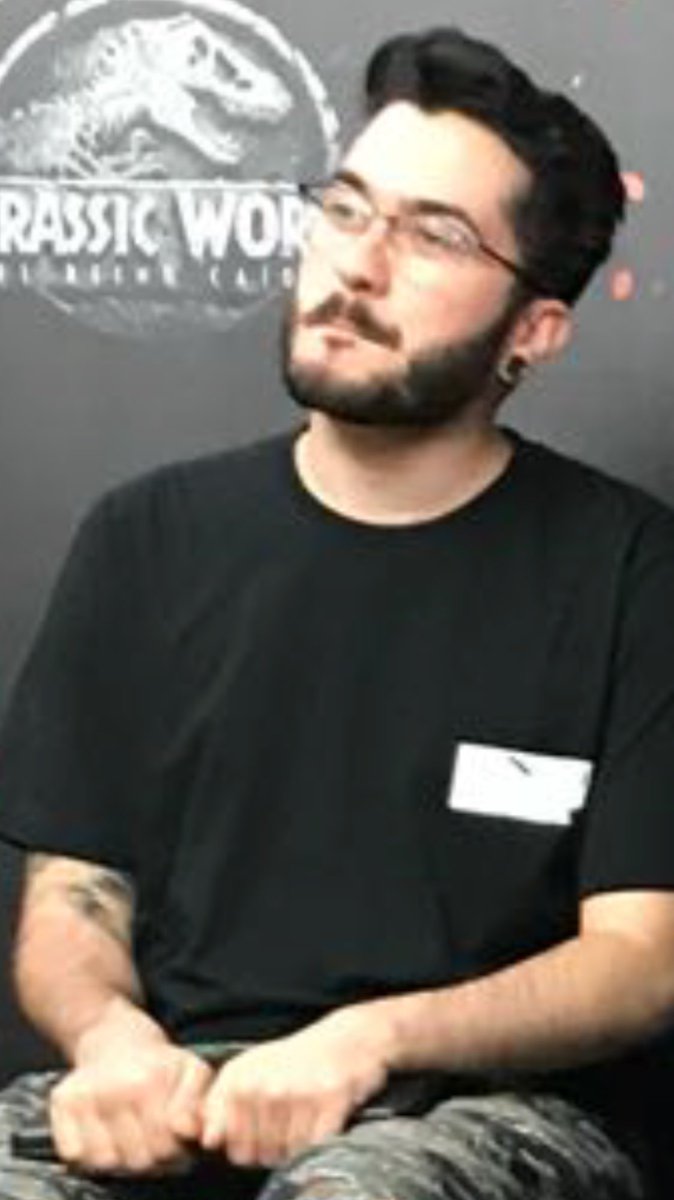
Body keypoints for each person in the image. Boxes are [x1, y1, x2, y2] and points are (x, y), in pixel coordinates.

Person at [0, 23, 673, 1200]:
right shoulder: (145, 535)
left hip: (483, 1107)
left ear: (531, 332)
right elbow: (73, 898)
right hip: (182, 1080)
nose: (357, 266)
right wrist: (112, 1043)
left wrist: (371, 1040)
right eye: (347, 209)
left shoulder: (629, 569)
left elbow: (638, 960)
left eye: (433, 236)